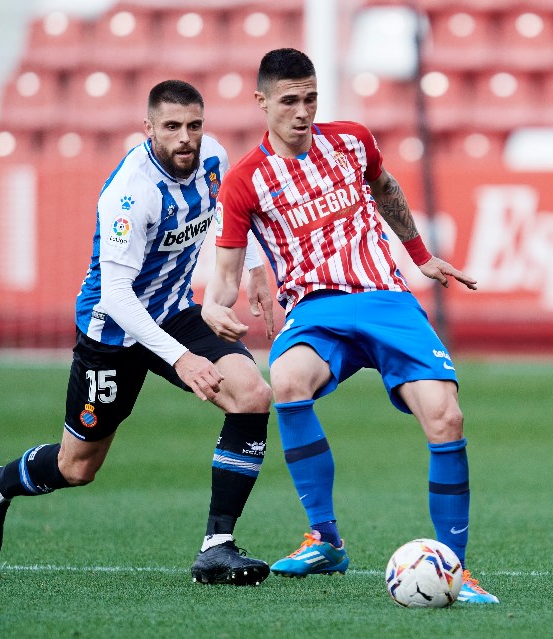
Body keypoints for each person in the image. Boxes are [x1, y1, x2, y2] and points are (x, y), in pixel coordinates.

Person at [201, 49, 498, 603]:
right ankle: (325, 538)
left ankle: (453, 568)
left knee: (446, 417)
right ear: (261, 102)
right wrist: (213, 308)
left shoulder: (353, 140)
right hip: (317, 310)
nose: (303, 111)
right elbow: (224, 277)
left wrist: (419, 253)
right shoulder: (244, 181)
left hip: (387, 297)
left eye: (311, 98)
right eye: (290, 100)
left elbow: (385, 189)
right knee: (285, 378)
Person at [0, 79, 276, 586]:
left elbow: (236, 210)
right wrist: (179, 358)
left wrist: (256, 266)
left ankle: (217, 547)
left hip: (175, 311)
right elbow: (116, 295)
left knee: (253, 394)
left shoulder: (214, 159)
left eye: (194, 126)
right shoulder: (130, 194)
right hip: (114, 329)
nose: (185, 138)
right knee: (78, 468)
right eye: (172, 127)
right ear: (148, 129)